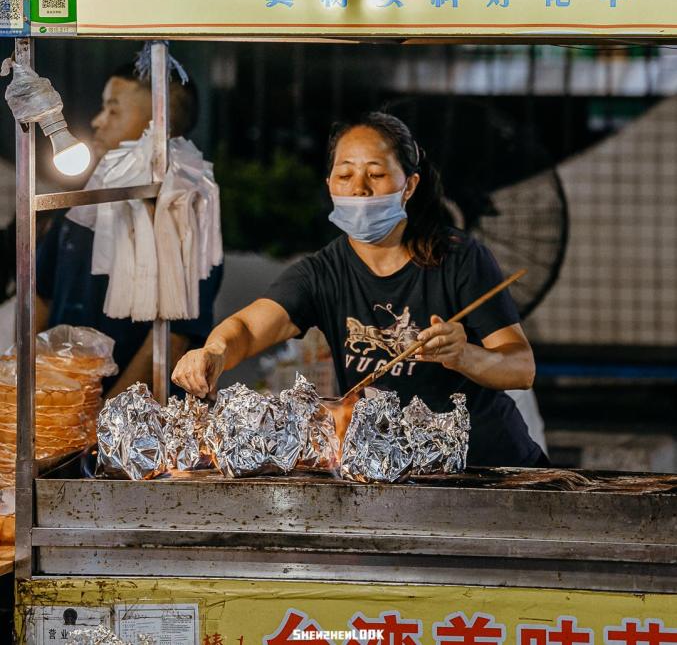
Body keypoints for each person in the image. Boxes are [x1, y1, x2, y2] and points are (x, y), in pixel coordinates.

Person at [173, 112, 547, 468]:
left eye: (377, 174)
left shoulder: (460, 260)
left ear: (409, 185)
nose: (359, 189)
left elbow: (520, 368)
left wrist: (463, 355)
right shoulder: (322, 272)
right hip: (393, 471)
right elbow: (250, 328)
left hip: (489, 465)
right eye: (345, 175)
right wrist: (213, 351)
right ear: (329, 186)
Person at [36, 62, 222, 396]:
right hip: (59, 411)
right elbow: (41, 295)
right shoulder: (81, 205)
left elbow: (175, 338)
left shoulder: (189, 215)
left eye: (113, 110)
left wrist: (104, 419)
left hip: (136, 425)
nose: (97, 121)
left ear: (158, 127)